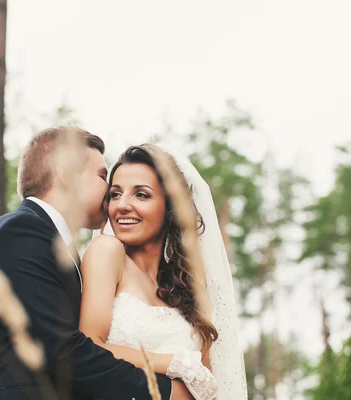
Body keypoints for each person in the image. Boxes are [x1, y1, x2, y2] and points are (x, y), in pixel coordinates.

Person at [0, 127, 192, 400]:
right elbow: (62, 351)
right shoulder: (19, 232)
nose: (109, 192)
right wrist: (166, 392)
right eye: (103, 176)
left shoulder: (52, 243)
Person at [80, 144, 248, 400]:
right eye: (115, 194)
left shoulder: (187, 290)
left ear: (169, 207)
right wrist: (174, 363)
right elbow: (89, 347)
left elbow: (207, 387)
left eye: (141, 195)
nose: (122, 205)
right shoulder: (107, 251)